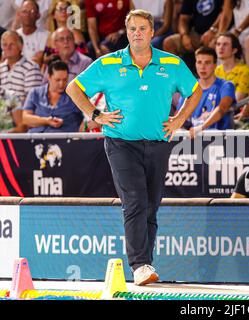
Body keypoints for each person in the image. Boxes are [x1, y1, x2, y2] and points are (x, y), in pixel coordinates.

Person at [66, 9, 202, 285]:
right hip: (120, 143)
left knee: (151, 205)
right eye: (132, 29)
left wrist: (180, 119)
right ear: (126, 32)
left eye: (142, 28)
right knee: (135, 201)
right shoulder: (109, 63)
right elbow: (74, 88)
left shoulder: (171, 63)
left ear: (152, 32)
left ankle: (146, 265)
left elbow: (195, 90)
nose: (137, 33)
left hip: (158, 143)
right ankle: (139, 264)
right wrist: (96, 115)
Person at [176, 46, 236, 138]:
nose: (202, 67)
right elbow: (180, 115)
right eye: (199, 62)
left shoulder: (226, 86)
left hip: (221, 140)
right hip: (194, 141)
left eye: (207, 63)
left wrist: (201, 128)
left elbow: (222, 108)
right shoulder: (189, 87)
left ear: (215, 65)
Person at [22, 60, 84, 132]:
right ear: (49, 77)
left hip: (64, 139)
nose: (61, 84)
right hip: (36, 139)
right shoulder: (35, 93)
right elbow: (26, 119)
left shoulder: (74, 95)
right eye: (57, 80)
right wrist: (46, 121)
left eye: (65, 80)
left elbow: (87, 118)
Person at [0, 30, 43, 132]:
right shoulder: (0, 68)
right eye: (5, 45)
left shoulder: (31, 68)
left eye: (12, 44)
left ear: (21, 47)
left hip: (22, 119)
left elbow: (31, 101)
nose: (8, 48)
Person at [214, 32, 249, 102]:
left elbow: (237, 100)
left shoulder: (244, 72)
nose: (221, 47)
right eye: (218, 44)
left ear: (234, 50)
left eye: (225, 44)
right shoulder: (216, 70)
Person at [16, 0, 50, 66]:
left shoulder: (47, 36)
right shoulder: (14, 36)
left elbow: (40, 62)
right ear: (19, 14)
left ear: (38, 15)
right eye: (24, 11)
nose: (27, 15)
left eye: (32, 11)